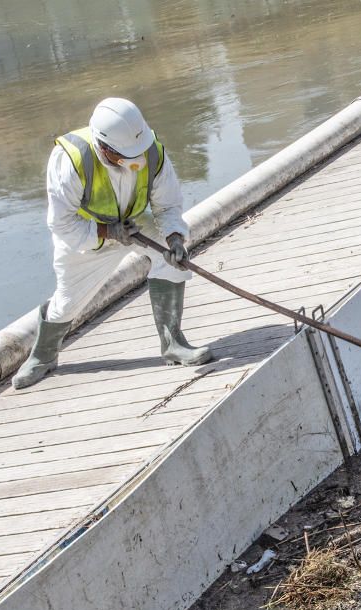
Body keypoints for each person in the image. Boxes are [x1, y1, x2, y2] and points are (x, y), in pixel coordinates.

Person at [12, 97, 212, 390]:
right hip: (84, 237)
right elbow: (61, 222)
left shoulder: (152, 152)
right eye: (126, 156)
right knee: (67, 302)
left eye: (138, 152)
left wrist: (174, 237)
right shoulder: (70, 160)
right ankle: (42, 356)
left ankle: (174, 344)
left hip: (134, 224)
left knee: (172, 261)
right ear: (103, 147)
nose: (136, 160)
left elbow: (168, 205)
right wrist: (106, 231)